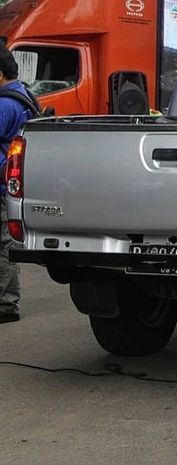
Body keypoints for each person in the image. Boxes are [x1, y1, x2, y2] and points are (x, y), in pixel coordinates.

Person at [0, 44, 31, 324]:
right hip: (10, 183)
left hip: (1, 185)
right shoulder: (23, 95)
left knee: (2, 245)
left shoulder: (4, 104)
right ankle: (7, 303)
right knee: (6, 243)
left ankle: (5, 304)